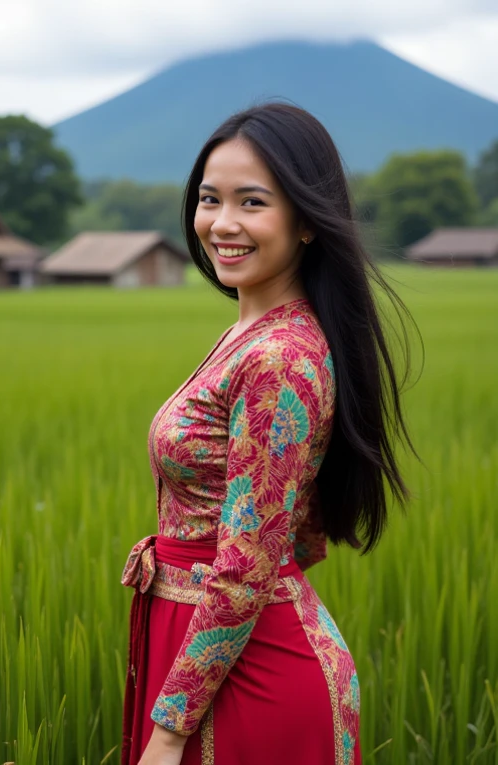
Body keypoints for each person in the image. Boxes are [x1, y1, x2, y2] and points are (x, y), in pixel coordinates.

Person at [120, 102, 418, 765]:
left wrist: (167, 732)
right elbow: (295, 529)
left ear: (307, 220)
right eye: (209, 199)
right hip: (211, 650)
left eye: (251, 202)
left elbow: (251, 560)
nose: (222, 223)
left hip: (253, 680)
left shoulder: (280, 358)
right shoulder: (249, 334)